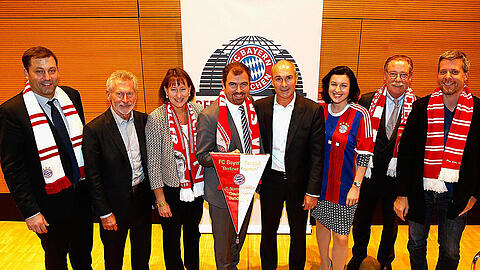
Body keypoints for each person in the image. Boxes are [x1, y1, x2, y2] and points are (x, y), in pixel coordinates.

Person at [0, 46, 93, 269]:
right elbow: (13, 169)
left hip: (80, 197)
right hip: (48, 204)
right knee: (56, 259)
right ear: (26, 74)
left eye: (51, 70)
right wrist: (31, 212)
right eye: (39, 72)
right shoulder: (12, 112)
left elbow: (79, 146)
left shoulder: (71, 96)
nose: (47, 78)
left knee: (83, 257)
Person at [394, 50, 480, 270]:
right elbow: (406, 153)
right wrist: (402, 194)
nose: (447, 76)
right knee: (415, 244)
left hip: (457, 195)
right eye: (443, 71)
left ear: (465, 75)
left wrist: (474, 195)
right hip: (419, 190)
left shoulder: (478, 111)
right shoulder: (422, 107)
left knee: (450, 250)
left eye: (454, 71)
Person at [255, 59, 324, 270]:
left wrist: (312, 191)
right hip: (270, 182)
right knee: (267, 232)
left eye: (288, 78)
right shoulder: (259, 107)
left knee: (298, 233)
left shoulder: (312, 110)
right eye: (278, 79)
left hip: (299, 184)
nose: (284, 84)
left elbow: (317, 155)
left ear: (296, 79)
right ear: (271, 81)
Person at [348, 55, 416, 270]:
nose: (397, 79)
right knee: (361, 222)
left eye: (403, 75)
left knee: (391, 225)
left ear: (410, 77)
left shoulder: (418, 106)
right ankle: (358, 256)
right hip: (368, 174)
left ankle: (385, 261)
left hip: (397, 179)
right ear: (385, 75)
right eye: (393, 74)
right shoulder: (367, 101)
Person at [83, 70, 152, 270]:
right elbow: (93, 176)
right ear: (108, 95)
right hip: (113, 206)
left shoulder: (144, 121)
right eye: (119, 94)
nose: (125, 99)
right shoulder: (94, 130)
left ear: (136, 95)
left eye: (129, 94)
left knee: (142, 255)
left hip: (141, 200)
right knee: (113, 259)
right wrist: (104, 213)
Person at [196, 62, 261, 270]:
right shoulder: (210, 115)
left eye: (244, 84)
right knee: (223, 247)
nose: (239, 90)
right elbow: (202, 156)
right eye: (233, 84)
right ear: (223, 85)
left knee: (237, 241)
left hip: (246, 189)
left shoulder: (252, 110)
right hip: (221, 194)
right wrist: (225, 158)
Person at [312, 66, 373, 270]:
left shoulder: (360, 114)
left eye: (344, 85)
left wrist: (356, 186)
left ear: (351, 88)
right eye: (334, 84)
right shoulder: (318, 110)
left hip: (345, 186)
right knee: (321, 225)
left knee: (341, 236)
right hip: (319, 184)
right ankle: (324, 264)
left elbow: (365, 154)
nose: (338, 89)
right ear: (327, 86)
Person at [146, 68, 204, 270]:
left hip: (196, 187)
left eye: (183, 88)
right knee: (171, 238)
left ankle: (193, 266)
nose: (179, 95)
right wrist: (160, 201)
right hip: (170, 190)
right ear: (165, 91)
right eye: (173, 89)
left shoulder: (198, 112)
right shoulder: (156, 118)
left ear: (190, 89)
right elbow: (153, 163)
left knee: (192, 232)